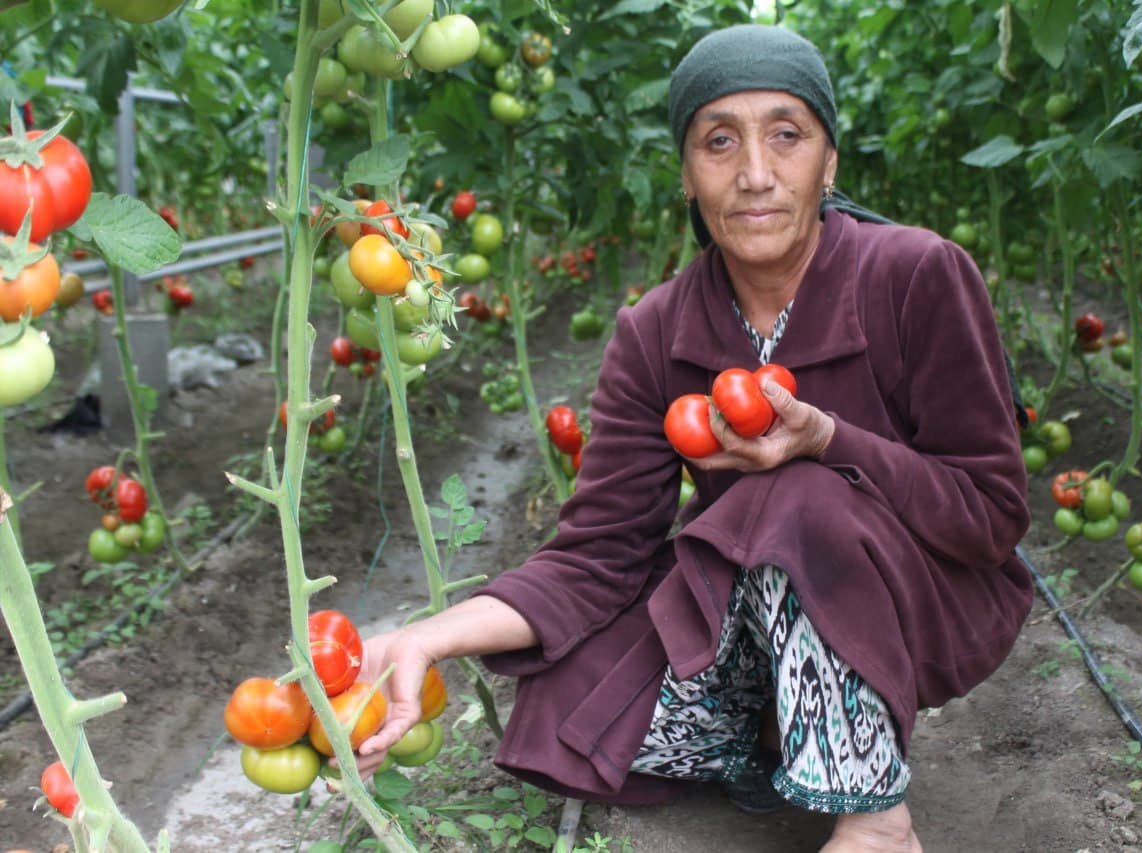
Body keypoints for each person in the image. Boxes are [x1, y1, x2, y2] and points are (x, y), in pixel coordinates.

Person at [355, 24, 1033, 852]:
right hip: (752, 605)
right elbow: (598, 554)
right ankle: (770, 730)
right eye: (719, 142)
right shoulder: (654, 330)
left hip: (926, 599)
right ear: (685, 173)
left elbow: (993, 515)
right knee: (569, 710)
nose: (755, 173)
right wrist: (427, 634)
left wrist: (828, 440)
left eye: (787, 135)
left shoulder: (917, 274)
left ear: (829, 162)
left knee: (795, 498)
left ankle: (876, 819)